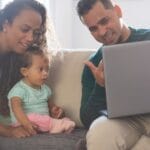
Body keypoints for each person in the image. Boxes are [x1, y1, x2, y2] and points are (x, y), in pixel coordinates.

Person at [77, 0, 150, 149]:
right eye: (93, 29)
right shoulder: (95, 64)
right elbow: (87, 119)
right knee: (99, 132)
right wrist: (100, 86)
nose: (102, 32)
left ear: (118, 11)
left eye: (104, 21)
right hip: (124, 121)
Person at [0, 0, 47, 138]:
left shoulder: (17, 59)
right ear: (5, 24)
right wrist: (8, 131)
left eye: (36, 32)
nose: (31, 38)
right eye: (25, 29)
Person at [7, 48, 75, 135]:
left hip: (41, 123)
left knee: (56, 117)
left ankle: (59, 123)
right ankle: (56, 125)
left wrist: (54, 109)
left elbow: (49, 104)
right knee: (33, 117)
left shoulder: (45, 89)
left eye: (47, 69)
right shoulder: (19, 89)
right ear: (25, 72)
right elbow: (16, 108)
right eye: (41, 69)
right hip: (22, 123)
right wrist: (26, 123)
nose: (45, 73)